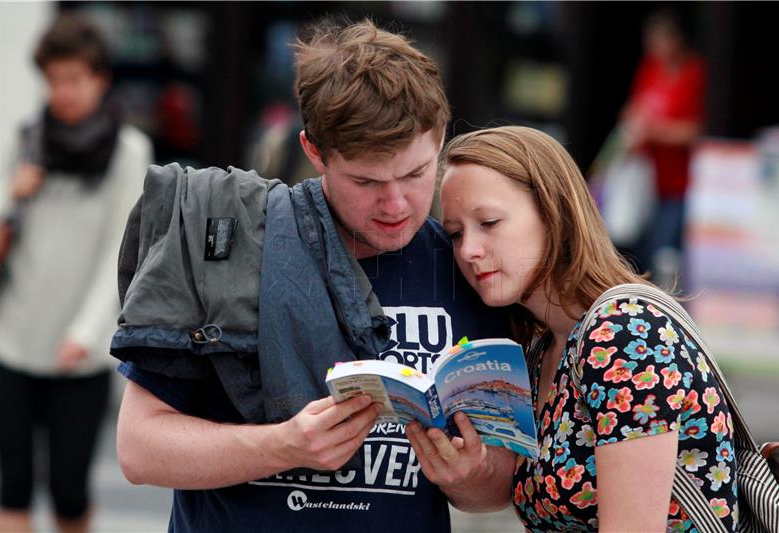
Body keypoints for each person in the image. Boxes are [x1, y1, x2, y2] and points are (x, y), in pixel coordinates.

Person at [114, 19, 514, 533]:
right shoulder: (233, 247)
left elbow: (496, 490)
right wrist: (282, 446)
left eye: (416, 174)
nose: (396, 205)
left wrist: (468, 474)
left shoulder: (466, 265)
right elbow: (138, 449)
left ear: (439, 140)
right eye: (366, 181)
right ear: (314, 152)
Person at [437, 126, 738, 532]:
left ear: (553, 213)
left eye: (489, 222)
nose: (469, 249)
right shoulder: (542, 348)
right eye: (455, 234)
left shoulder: (623, 334)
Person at [0, 15, 153, 533]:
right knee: (12, 485)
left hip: (78, 354)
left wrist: (86, 332)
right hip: (14, 340)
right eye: (53, 80)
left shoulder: (128, 151)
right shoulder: (25, 142)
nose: (62, 92)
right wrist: (12, 198)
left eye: (74, 79)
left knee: (69, 490)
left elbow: (120, 250)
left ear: (99, 79)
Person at [620, 9, 707, 283]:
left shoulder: (694, 74)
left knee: (665, 253)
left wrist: (654, 132)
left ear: (676, 40)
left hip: (679, 183)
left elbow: (695, 131)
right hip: (646, 179)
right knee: (637, 246)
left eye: (659, 41)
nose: (654, 48)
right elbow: (634, 110)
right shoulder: (650, 69)